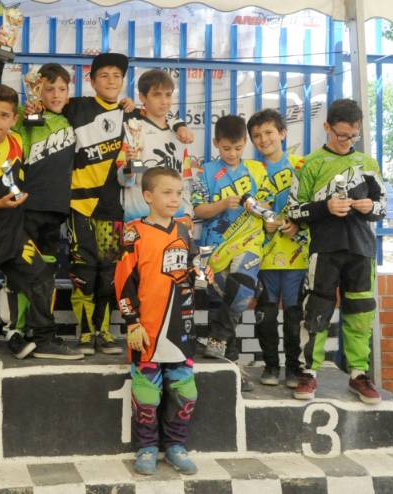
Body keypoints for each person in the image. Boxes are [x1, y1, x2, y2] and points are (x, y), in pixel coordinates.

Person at [59, 52, 193, 356]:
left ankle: (110, 332)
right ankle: (86, 333)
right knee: (84, 272)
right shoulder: (90, 109)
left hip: (118, 210)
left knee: (111, 274)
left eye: (117, 76)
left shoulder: (140, 119)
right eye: (104, 76)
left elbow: (180, 170)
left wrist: (179, 123)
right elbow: (127, 175)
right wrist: (131, 164)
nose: (110, 81)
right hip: (89, 206)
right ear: (92, 80)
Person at [0, 83, 82, 385]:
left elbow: (35, 115)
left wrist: (33, 104)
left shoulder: (16, 139)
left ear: (14, 119)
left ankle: (44, 337)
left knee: (42, 277)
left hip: (13, 235)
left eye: (4, 115)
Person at [287, 98, 386, 404]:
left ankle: (358, 373)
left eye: (353, 135)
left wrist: (370, 207)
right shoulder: (309, 164)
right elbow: (294, 211)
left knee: (361, 312)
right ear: (326, 127)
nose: (347, 141)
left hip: (362, 250)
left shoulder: (368, 164)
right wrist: (325, 207)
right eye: (341, 134)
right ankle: (308, 372)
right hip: (324, 250)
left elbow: (383, 207)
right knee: (316, 310)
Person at [0, 55, 75, 344]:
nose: (55, 95)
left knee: (45, 275)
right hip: (26, 210)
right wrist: (0, 59)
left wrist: (128, 105)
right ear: (37, 91)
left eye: (61, 89)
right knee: (20, 273)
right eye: (49, 89)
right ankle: (15, 330)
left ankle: (38, 330)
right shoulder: (24, 115)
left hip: (56, 213)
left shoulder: (72, 119)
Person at [115, 167, 199, 476]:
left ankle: (176, 446)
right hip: (147, 329)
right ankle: (147, 448)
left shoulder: (184, 231)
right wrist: (132, 323)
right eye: (167, 192)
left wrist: (202, 272)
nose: (174, 199)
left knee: (185, 392)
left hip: (180, 329)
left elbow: (193, 271)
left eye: (178, 193)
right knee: (147, 395)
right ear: (148, 196)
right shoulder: (133, 232)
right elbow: (123, 282)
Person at [191, 115, 275, 391]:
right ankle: (230, 370)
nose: (232, 154)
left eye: (238, 148)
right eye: (226, 148)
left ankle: (217, 338)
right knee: (225, 303)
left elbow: (267, 205)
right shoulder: (205, 172)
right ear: (216, 143)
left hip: (250, 240)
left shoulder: (257, 170)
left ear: (245, 143)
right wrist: (222, 205)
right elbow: (197, 210)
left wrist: (256, 207)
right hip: (215, 248)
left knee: (243, 288)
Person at [247, 109, 307, 388]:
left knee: (294, 314)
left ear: (283, 133)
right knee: (266, 314)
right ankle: (271, 366)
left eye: (269, 132)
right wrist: (264, 226)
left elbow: (315, 205)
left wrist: (299, 225)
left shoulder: (302, 165)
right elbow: (244, 215)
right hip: (264, 256)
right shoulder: (251, 171)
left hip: (297, 255)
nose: (264, 139)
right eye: (257, 135)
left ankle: (294, 368)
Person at [119, 69, 193, 226]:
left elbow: (185, 179)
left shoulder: (179, 133)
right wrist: (131, 165)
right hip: (142, 220)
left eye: (168, 95)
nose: (164, 101)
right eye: (157, 95)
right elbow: (125, 180)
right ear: (142, 97)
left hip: (176, 220)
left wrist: (187, 212)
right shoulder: (135, 130)